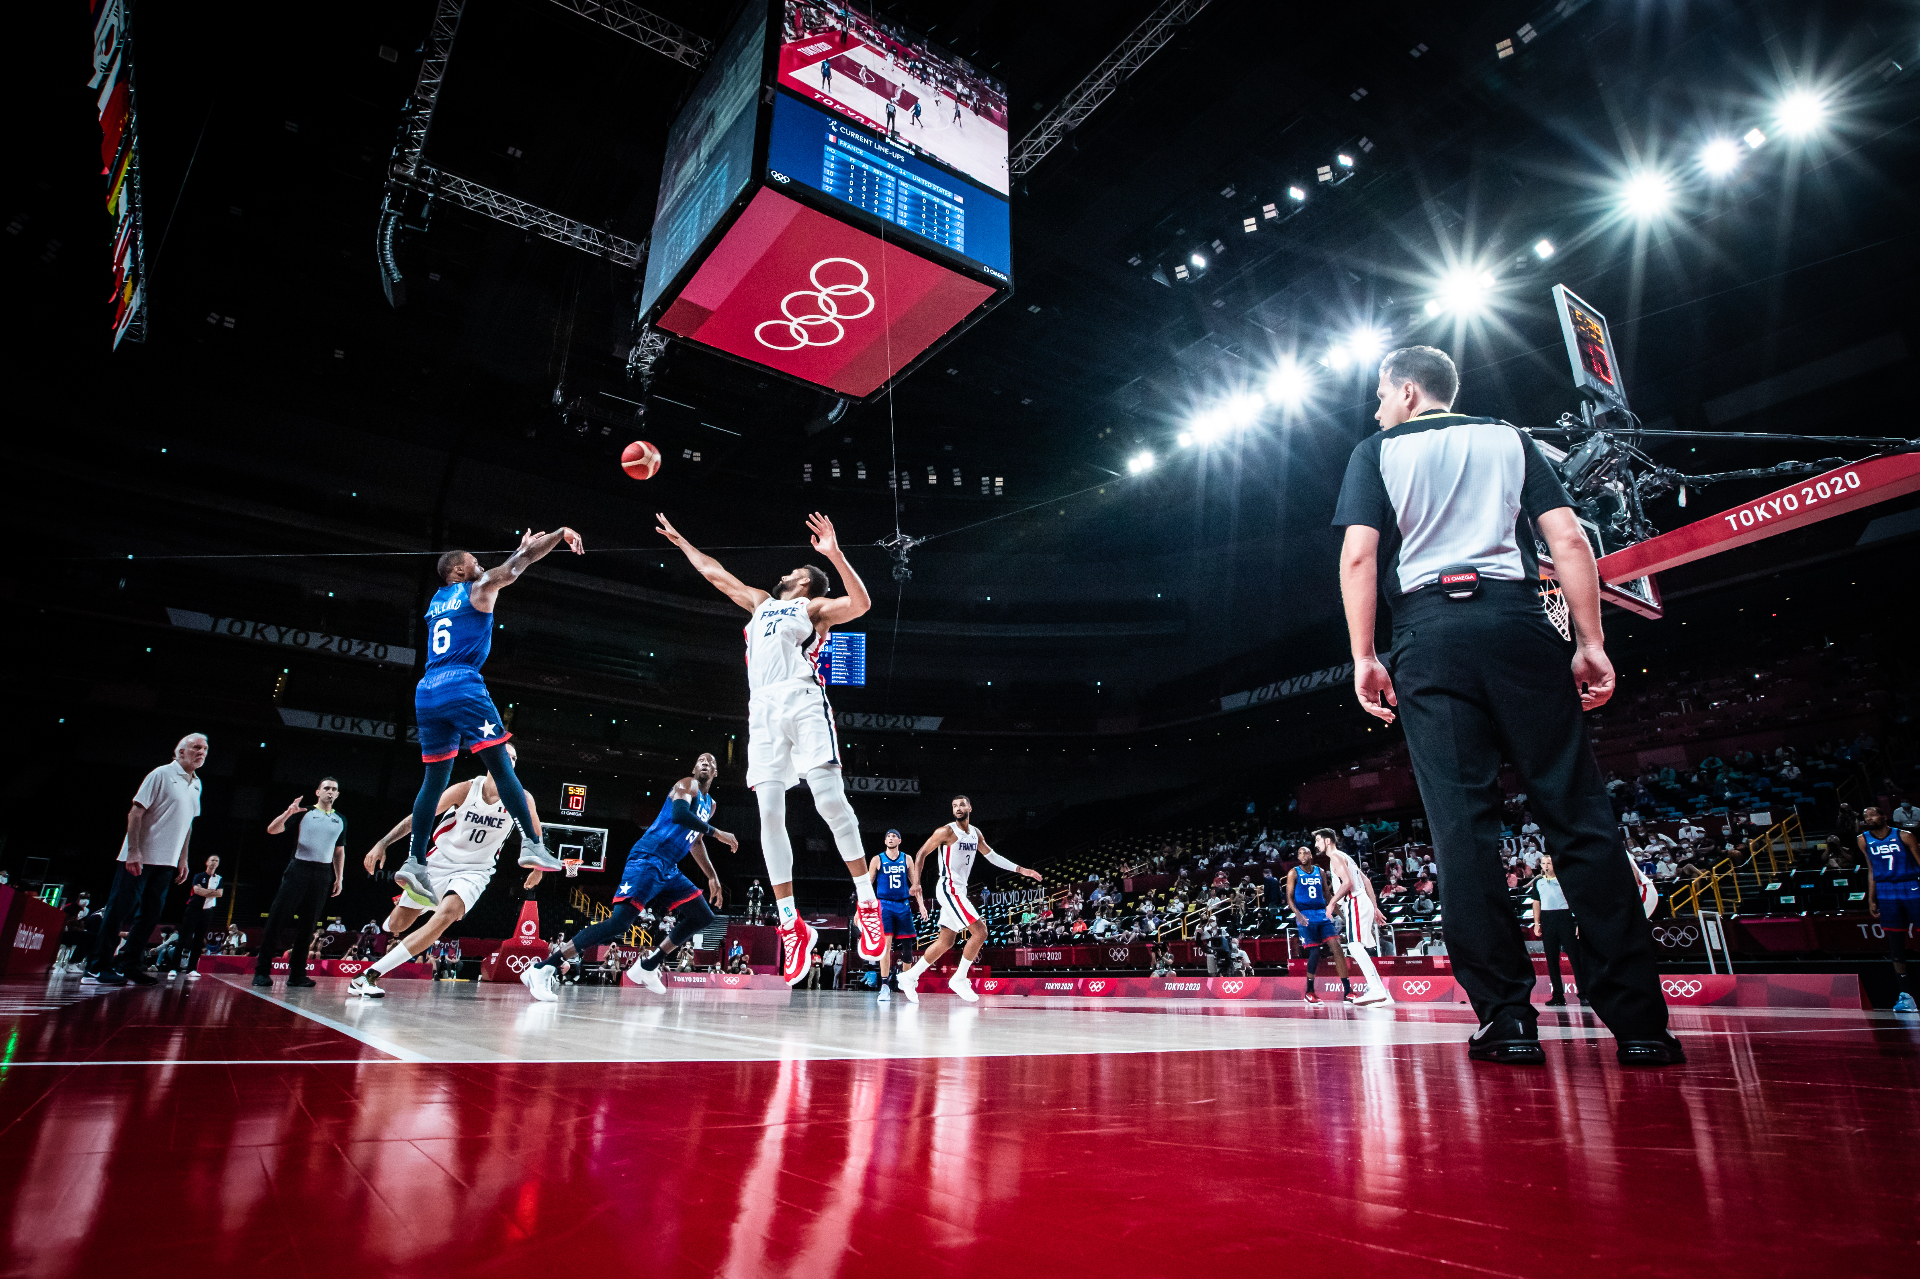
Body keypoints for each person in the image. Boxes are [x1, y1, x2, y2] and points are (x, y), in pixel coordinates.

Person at [1334, 344, 1678, 1067]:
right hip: (1520, 622)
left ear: (1405, 390)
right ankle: (1642, 1025)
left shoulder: (1376, 449)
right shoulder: (1509, 437)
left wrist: (1366, 655)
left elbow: (1361, 555)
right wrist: (1590, 640)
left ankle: (1507, 1019)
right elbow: (1569, 539)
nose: (1375, 407)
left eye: (1378, 394)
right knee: (1579, 817)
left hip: (1431, 634)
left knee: (1463, 830)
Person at [654, 511, 886, 981]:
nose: (782, 574)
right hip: (761, 711)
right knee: (769, 817)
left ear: (805, 584)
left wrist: (835, 554)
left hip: (801, 700)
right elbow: (715, 574)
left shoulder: (812, 609)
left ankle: (866, 903)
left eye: (793, 573)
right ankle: (790, 925)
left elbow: (861, 604)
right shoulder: (760, 603)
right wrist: (682, 542)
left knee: (830, 802)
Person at [391, 532, 576, 911]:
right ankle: (533, 845)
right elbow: (514, 568)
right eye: (474, 561)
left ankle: (415, 861)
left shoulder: (437, 601)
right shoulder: (477, 588)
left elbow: (502, 567)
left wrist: (518, 550)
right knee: (501, 764)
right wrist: (557, 535)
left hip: (427, 690)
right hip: (462, 684)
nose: (480, 565)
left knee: (433, 781)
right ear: (460, 569)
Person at [522, 752, 736, 1001]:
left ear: (716, 773)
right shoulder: (686, 785)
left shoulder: (710, 805)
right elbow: (680, 815)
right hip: (648, 858)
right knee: (619, 923)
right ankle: (544, 967)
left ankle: (648, 966)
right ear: (694, 767)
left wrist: (712, 877)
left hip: (669, 867)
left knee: (702, 915)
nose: (705, 764)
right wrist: (717, 832)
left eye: (711, 762)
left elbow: (695, 840)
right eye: (701, 760)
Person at [351, 745, 547, 997]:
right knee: (397, 926)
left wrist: (538, 869)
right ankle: (418, 903)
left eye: (514, 757)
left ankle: (367, 976)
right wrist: (383, 842)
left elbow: (535, 835)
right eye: (504, 755)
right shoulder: (465, 789)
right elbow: (420, 816)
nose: (510, 760)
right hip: (439, 863)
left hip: (476, 870)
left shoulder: (522, 797)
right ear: (489, 760)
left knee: (445, 916)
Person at [85, 733, 205, 986]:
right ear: (180, 751)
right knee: (119, 910)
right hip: (139, 857)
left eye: (205, 748)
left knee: (150, 915)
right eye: (196, 747)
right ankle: (97, 967)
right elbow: (135, 813)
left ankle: (129, 965)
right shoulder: (160, 774)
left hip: (167, 862)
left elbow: (188, 826)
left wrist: (183, 859)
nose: (202, 752)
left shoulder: (197, 784)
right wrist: (134, 851)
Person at [898, 795, 1041, 1003]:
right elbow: (921, 854)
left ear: (970, 808)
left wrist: (1020, 869)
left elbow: (992, 856)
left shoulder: (975, 833)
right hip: (948, 887)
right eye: (954, 805)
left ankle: (909, 976)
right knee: (981, 931)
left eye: (961, 804)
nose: (957, 808)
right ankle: (959, 978)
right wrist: (916, 883)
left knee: (946, 940)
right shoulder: (946, 831)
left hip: (959, 890)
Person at [253, 778, 348, 989]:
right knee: (278, 919)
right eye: (327, 788)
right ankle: (261, 972)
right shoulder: (304, 812)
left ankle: (297, 975)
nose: (330, 792)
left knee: (308, 926)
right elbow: (272, 830)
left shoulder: (341, 819)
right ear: (318, 792)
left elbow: (339, 850)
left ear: (338, 794)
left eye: (334, 789)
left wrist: (338, 877)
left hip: (322, 874)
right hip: (299, 869)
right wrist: (288, 812)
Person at [1315, 828, 1393, 1006]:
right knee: (1357, 945)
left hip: (1354, 900)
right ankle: (1381, 991)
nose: (1316, 844)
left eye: (1318, 840)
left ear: (1328, 841)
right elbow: (1365, 881)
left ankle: (1376, 989)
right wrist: (1374, 907)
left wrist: (1332, 903)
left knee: (1354, 945)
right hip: (1361, 900)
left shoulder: (1335, 857)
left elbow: (1348, 883)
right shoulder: (1346, 856)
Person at [1859, 806, 1919, 1013]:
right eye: (1865, 816)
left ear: (1884, 816)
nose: (1868, 818)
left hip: (1911, 887)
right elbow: (1872, 869)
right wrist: (1871, 899)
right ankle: (1906, 996)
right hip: (1885, 892)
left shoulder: (1905, 835)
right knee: (1895, 946)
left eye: (1872, 814)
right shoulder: (1863, 840)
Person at [1287, 845, 1352, 1006]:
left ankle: (1348, 991)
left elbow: (1328, 895)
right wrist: (1298, 915)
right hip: (1305, 916)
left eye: (1304, 852)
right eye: (1299, 853)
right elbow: (1289, 898)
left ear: (1311, 855)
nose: (1301, 855)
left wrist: (1343, 916)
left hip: (1322, 915)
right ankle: (1309, 991)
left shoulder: (1320, 872)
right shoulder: (1294, 872)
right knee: (1315, 952)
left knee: (1336, 947)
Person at [867, 828, 924, 1003]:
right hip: (884, 904)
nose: (891, 838)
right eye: (888, 836)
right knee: (886, 945)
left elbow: (915, 885)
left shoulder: (907, 859)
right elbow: (868, 886)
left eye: (894, 836)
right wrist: (859, 909)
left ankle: (906, 982)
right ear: (885, 841)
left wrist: (921, 905)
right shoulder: (877, 859)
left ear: (900, 840)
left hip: (904, 905)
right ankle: (884, 986)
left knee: (908, 945)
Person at [1528, 855, 1587, 1007]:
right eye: (1543, 863)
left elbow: (1575, 901)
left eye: (1549, 863)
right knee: (1552, 959)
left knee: (1574, 957)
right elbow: (1536, 902)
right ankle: (1558, 995)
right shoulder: (1538, 882)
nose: (1546, 866)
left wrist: (1578, 922)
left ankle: (1584, 994)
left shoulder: (1563, 879)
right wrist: (1536, 923)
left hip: (1564, 917)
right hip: (1547, 919)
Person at [176, 853, 224, 979]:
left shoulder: (219, 879)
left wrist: (205, 892)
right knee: (183, 938)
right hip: (193, 909)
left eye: (216, 860)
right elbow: (197, 891)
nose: (214, 862)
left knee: (199, 941)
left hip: (207, 911)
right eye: (212, 860)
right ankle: (173, 968)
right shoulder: (198, 876)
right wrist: (211, 893)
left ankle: (191, 969)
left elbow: (220, 894)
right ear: (207, 862)